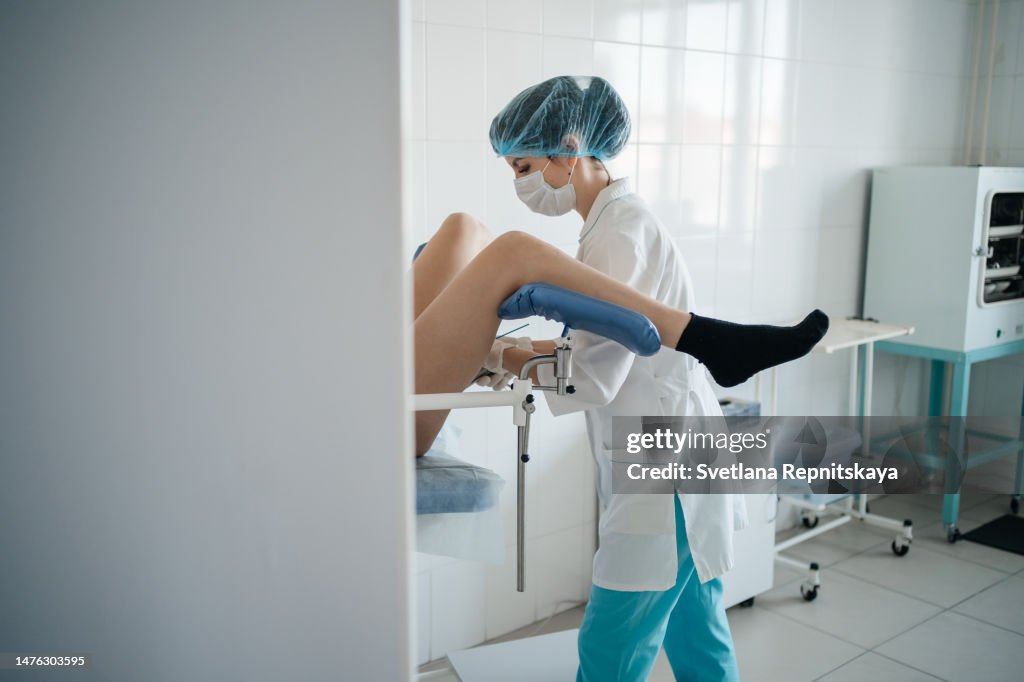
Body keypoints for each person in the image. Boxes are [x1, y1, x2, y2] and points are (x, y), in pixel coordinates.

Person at [475, 75, 827, 681]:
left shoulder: (618, 232)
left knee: (611, 651)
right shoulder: (610, 225)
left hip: (665, 470)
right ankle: (726, 342)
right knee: (697, 635)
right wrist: (512, 354)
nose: (521, 185)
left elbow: (593, 375)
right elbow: (594, 343)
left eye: (525, 166)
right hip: (673, 453)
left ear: (569, 148)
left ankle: (728, 343)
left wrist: (498, 359)